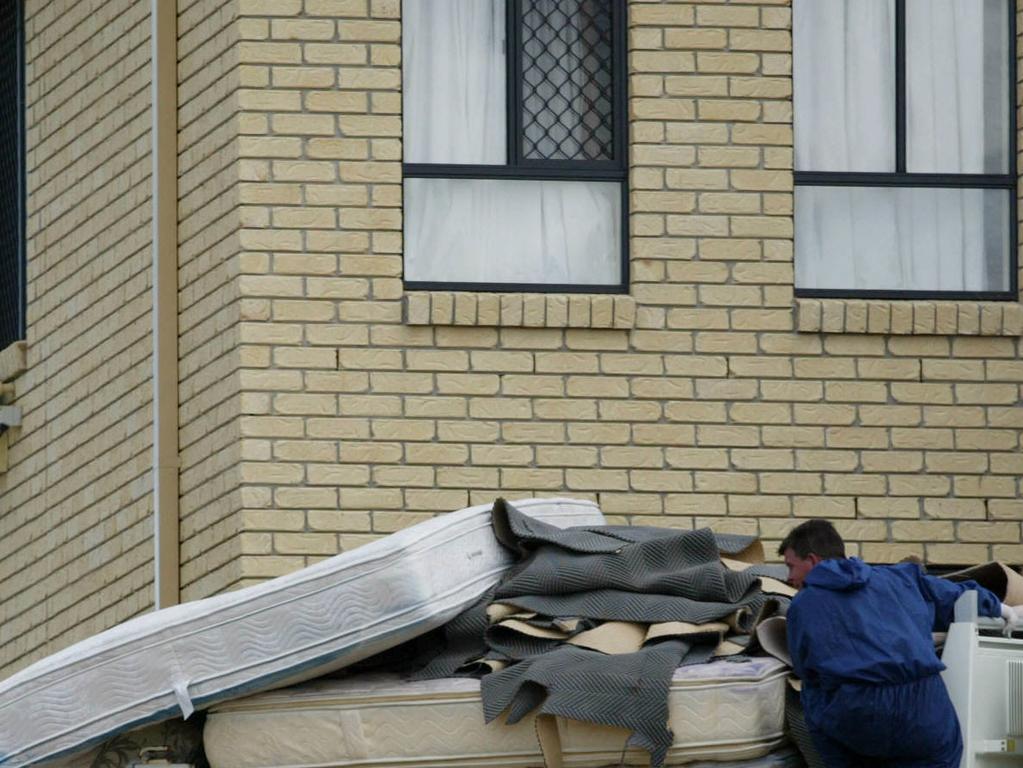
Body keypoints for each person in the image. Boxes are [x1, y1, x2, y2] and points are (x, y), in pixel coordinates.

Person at [780, 519, 1020, 768]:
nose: (789, 577)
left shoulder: (804, 605)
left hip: (855, 711)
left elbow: (805, 667)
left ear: (812, 560)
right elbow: (953, 596)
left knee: (811, 693)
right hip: (921, 706)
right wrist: (999, 608)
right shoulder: (899, 578)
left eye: (791, 566)